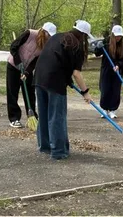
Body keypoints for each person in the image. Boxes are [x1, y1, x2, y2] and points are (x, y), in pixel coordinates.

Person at [34, 20, 94, 160]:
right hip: (54, 81)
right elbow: (76, 73)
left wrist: (68, 80)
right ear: (83, 35)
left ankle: (45, 147)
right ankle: (59, 151)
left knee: (44, 114)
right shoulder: (76, 45)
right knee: (57, 117)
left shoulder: (57, 37)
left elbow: (57, 60)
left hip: (39, 78)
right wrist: (85, 92)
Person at [6, 22, 56, 128]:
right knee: (12, 92)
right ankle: (14, 118)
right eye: (48, 35)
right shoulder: (29, 33)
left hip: (26, 70)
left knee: (29, 92)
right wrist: (18, 62)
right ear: (43, 32)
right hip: (13, 66)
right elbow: (13, 47)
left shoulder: (44, 46)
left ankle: (32, 116)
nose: (49, 38)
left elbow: (35, 62)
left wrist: (27, 72)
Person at [94, 25, 123, 119]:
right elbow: (97, 53)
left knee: (115, 91)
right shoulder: (105, 42)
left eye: (120, 36)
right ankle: (104, 109)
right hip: (106, 70)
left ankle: (113, 110)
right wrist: (98, 47)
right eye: (116, 36)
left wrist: (119, 65)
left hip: (117, 71)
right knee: (105, 90)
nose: (118, 38)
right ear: (112, 34)